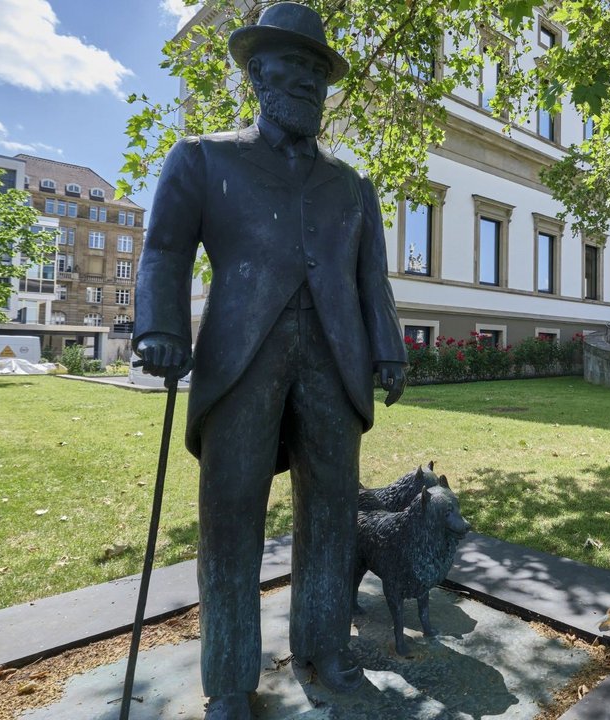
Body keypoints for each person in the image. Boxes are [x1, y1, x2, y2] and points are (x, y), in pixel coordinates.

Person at [132, 5, 406, 718]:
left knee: (333, 511)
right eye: (294, 66)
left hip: (335, 362)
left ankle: (325, 646)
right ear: (257, 73)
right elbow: (164, 250)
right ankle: (229, 680)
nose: (309, 82)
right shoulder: (203, 158)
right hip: (240, 359)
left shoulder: (353, 184)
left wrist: (388, 347)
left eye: (319, 71)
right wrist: (160, 328)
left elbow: (371, 279)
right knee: (230, 516)